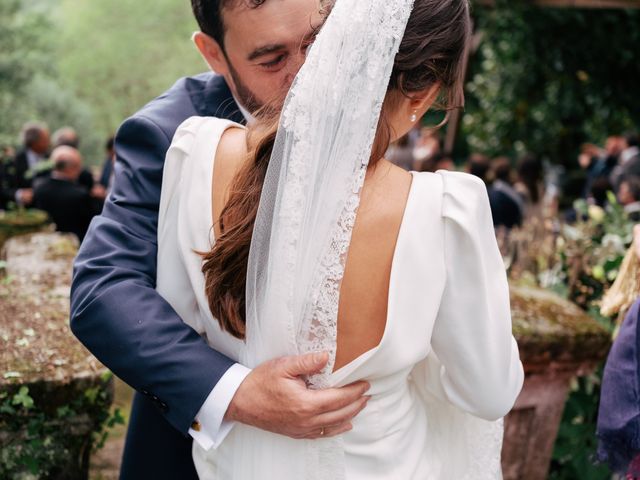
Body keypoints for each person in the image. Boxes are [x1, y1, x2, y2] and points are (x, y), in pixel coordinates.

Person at [158, 0, 523, 477]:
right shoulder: (443, 210)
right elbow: (488, 392)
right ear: (427, 91)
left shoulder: (196, 152)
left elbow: (177, 322)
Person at [70, 1, 369, 479]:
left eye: (319, 42)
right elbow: (102, 290)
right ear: (213, 54)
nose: (312, 74)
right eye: (273, 59)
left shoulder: (375, 98)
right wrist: (237, 392)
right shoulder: (165, 134)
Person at [33, 146, 96, 241]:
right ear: (71, 168)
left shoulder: (38, 187)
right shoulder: (80, 195)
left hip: (45, 240)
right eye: (78, 166)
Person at [0, 121, 50, 208]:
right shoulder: (13, 160)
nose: (49, 142)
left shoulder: (51, 158)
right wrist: (18, 194)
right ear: (34, 142)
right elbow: (4, 188)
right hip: (19, 212)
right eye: (45, 139)